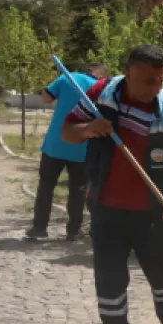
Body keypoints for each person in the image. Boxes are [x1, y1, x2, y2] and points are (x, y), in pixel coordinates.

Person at [62, 45, 163, 324]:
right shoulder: (100, 95)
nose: (155, 87)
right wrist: (87, 129)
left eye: (160, 80)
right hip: (107, 209)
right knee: (110, 281)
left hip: (156, 213)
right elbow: (67, 133)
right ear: (128, 74)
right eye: (147, 81)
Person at [25, 62, 108, 242]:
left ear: (88, 69)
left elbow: (45, 97)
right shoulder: (102, 88)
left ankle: (39, 228)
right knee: (78, 189)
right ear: (101, 75)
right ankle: (73, 230)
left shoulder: (68, 78)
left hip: (56, 142)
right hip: (81, 144)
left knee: (46, 186)